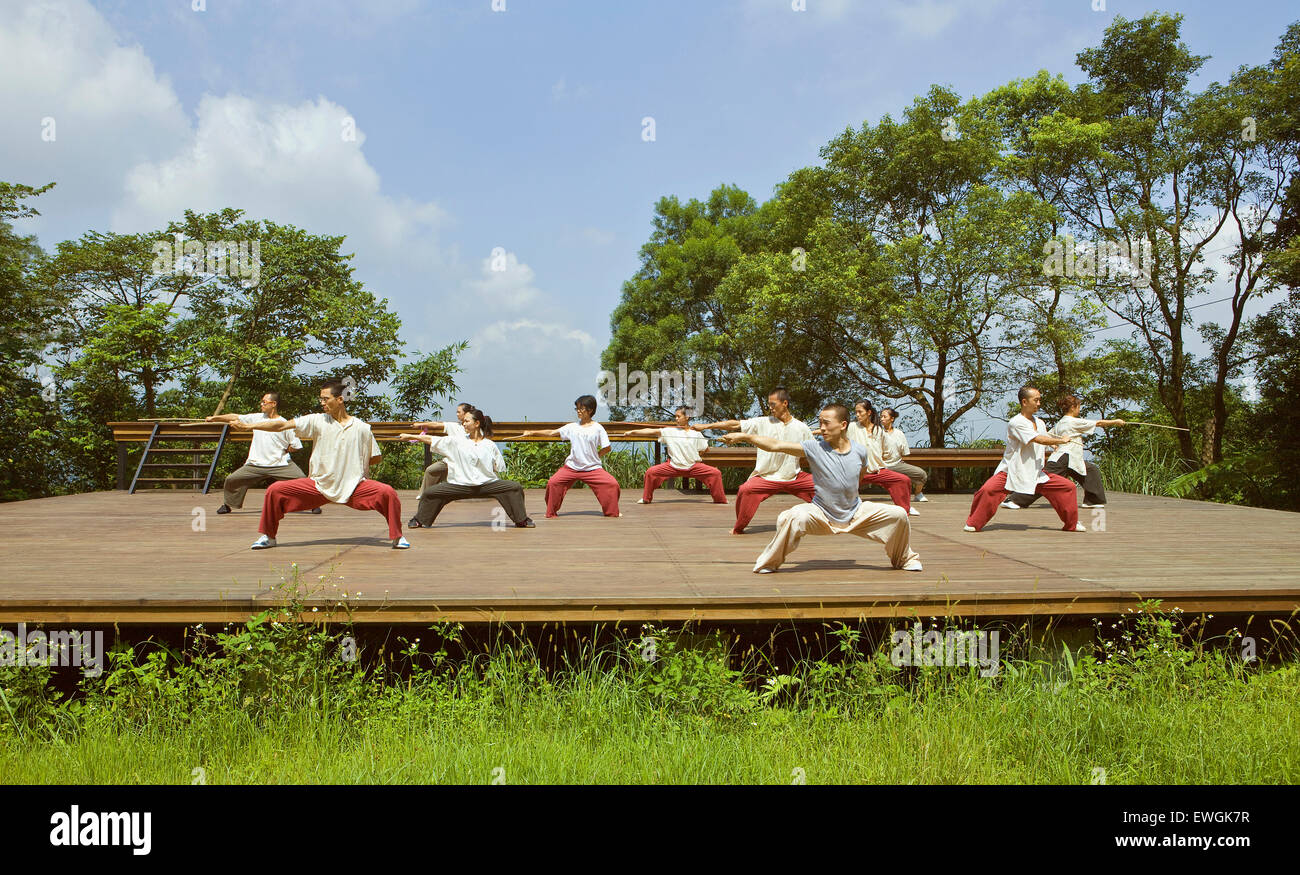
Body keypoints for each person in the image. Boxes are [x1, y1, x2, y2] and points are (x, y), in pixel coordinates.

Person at [720, 403, 923, 573]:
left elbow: (860, 475)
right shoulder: (815, 448)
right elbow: (775, 445)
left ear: (843, 425)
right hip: (821, 513)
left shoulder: (860, 451)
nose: (822, 428)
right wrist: (743, 437)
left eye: (826, 423)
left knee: (898, 515)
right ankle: (769, 563)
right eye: (820, 423)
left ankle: (903, 559)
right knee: (790, 517)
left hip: (855, 512)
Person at [232, 379, 409, 549]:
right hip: (318, 485)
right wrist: (248, 427)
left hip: (353, 487)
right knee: (275, 491)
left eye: (326, 399)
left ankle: (397, 536)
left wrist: (351, 466)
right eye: (321, 399)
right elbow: (281, 425)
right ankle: (268, 537)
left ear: (340, 400)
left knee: (388, 493)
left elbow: (375, 457)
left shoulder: (362, 428)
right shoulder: (317, 420)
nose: (322, 403)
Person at [964, 385, 1083, 534]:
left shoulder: (1040, 423)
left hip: (1035, 473)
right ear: (1025, 402)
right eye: (1036, 400)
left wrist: (1053, 443)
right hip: (1012, 471)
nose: (1039, 403)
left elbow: (1044, 436)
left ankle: (1071, 524)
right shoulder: (1016, 422)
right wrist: (1061, 441)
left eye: (1039, 400)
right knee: (987, 490)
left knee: (1067, 487)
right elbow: (1037, 439)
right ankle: (973, 523)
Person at [696, 387, 814, 534]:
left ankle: (831, 519)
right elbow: (734, 424)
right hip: (766, 477)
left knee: (823, 487)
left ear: (785, 403)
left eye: (773, 404)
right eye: (768, 404)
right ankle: (738, 528)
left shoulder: (801, 427)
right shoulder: (762, 422)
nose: (770, 408)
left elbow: (815, 452)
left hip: (793, 476)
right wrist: (706, 426)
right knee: (745, 490)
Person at [400, 407, 535, 528]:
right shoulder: (457, 441)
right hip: (459, 485)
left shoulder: (489, 445)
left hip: (487, 484)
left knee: (514, 487)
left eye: (467, 421)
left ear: (477, 424)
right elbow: (432, 440)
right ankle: (419, 519)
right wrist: (410, 436)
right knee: (430, 493)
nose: (463, 424)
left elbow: (497, 467)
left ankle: (521, 520)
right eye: (463, 421)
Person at [1002, 395, 1125, 510]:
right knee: (1044, 481)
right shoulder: (1072, 421)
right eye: (1078, 407)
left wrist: (1055, 444)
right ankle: (1014, 500)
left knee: (1091, 471)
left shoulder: (1062, 422)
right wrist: (1116, 422)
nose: (1079, 410)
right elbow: (1098, 423)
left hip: (1071, 459)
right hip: (1064, 458)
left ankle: (1093, 500)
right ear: (1073, 407)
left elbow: (1048, 434)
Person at [206, 392, 319, 515]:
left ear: (274, 404)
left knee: (303, 481)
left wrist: (288, 449)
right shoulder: (257, 418)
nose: (261, 404)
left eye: (264, 402)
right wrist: (214, 418)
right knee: (232, 479)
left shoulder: (284, 423)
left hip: (280, 465)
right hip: (255, 464)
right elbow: (235, 417)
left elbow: (296, 445)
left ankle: (314, 504)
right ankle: (228, 505)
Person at [519, 395, 621, 518]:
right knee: (553, 483)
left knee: (612, 484)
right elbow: (552, 433)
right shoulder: (572, 427)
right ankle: (551, 513)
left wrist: (596, 457)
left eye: (581, 408)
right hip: (572, 467)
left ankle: (611, 512)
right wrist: (532, 433)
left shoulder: (598, 428)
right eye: (577, 408)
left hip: (592, 468)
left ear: (590, 410)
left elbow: (607, 447)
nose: (578, 411)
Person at [623, 406, 726, 505]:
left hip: (693, 466)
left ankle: (720, 500)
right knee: (651, 472)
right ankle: (646, 499)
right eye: (675, 416)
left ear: (687, 417)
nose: (676, 419)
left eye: (678, 416)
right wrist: (632, 432)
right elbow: (651, 431)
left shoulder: (696, 434)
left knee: (715, 473)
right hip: (673, 466)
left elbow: (705, 449)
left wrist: (694, 455)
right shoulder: (669, 431)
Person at [846, 401, 917, 516]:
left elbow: (887, 451)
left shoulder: (879, 431)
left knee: (903, 480)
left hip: (877, 471)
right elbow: (836, 432)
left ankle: (903, 512)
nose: (857, 415)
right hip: (856, 473)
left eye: (860, 412)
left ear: (869, 412)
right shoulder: (852, 427)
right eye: (856, 412)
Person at [411, 402, 473, 493]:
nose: (457, 414)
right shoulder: (454, 426)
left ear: (466, 413)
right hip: (452, 460)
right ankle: (425, 494)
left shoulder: (475, 428)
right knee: (431, 470)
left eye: (459, 412)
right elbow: (436, 424)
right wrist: (421, 424)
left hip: (467, 461)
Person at [878, 408, 929, 502]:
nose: (882, 419)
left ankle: (918, 494)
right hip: (881, 466)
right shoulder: (878, 433)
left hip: (897, 464)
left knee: (922, 475)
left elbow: (904, 452)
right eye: (881, 416)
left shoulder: (899, 433)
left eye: (884, 416)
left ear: (892, 419)